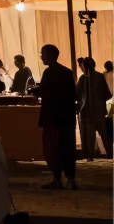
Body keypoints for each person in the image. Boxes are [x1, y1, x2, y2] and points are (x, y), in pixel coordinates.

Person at [31, 44, 77, 189]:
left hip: (52, 117)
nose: (41, 57)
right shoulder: (67, 72)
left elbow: (45, 92)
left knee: (53, 150)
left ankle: (57, 179)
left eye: (43, 54)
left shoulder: (49, 73)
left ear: (50, 56)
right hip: (67, 117)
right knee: (68, 148)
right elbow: (73, 94)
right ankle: (71, 180)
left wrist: (34, 91)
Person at [76, 57, 113, 160]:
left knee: (89, 136)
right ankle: (110, 154)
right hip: (99, 112)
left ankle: (90, 156)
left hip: (86, 112)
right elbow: (108, 94)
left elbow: (77, 94)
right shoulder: (100, 77)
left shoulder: (83, 78)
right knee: (104, 135)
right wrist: (100, 102)